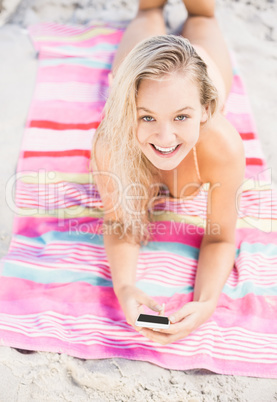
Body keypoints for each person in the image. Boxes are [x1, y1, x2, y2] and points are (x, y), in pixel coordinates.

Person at [90, 0, 245, 345]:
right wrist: (126, 286)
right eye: (147, 117)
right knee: (148, 10)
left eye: (181, 117)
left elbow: (221, 237)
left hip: (201, 70)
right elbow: (120, 224)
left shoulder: (223, 147)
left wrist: (206, 302)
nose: (164, 138)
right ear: (129, 111)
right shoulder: (112, 142)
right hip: (139, 76)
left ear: (205, 111)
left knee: (202, 13)